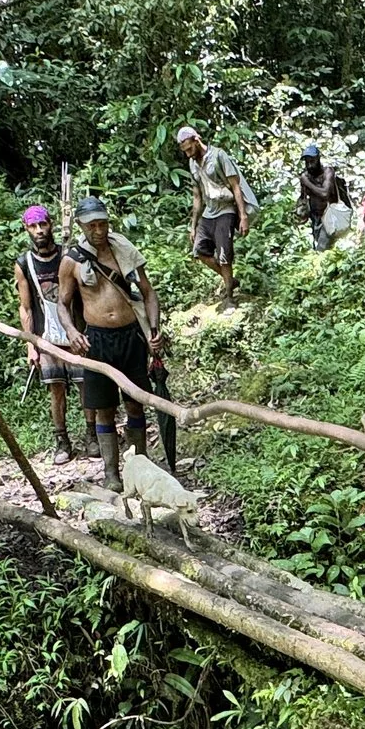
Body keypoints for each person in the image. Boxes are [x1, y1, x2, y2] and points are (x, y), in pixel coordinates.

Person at [56, 196, 166, 493]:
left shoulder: (123, 249)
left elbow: (148, 292)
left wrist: (154, 330)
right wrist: (70, 332)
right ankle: (111, 474)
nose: (99, 230)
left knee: (136, 404)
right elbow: (62, 304)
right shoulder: (72, 261)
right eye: (92, 225)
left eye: (103, 223)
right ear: (81, 225)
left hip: (131, 336)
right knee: (104, 409)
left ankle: (140, 468)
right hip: (98, 341)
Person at [13, 204, 79, 462]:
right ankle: (62, 441)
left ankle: (92, 436)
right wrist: (31, 344)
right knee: (56, 389)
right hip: (46, 335)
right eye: (33, 226)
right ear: (26, 229)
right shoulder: (24, 263)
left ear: (51, 224)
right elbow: (25, 306)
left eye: (43, 224)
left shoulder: (68, 254)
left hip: (75, 330)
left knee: (85, 385)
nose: (39, 230)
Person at [177, 125, 248, 304]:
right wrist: (193, 225)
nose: (188, 154)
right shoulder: (192, 163)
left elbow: (235, 186)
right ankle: (230, 281)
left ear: (196, 140)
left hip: (226, 208)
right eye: (185, 151)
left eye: (190, 149)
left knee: (224, 254)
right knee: (200, 250)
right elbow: (197, 196)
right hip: (209, 211)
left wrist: (243, 215)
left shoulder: (218, 156)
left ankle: (229, 297)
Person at [297, 143, 351, 251]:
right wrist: (301, 209)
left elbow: (325, 194)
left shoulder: (328, 172)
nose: (309, 165)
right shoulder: (306, 176)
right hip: (315, 218)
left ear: (318, 159)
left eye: (312, 161)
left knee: (321, 249)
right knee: (326, 249)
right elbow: (303, 197)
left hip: (329, 216)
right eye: (307, 162)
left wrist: (307, 182)